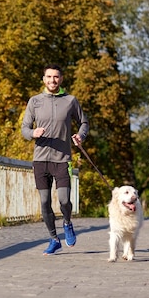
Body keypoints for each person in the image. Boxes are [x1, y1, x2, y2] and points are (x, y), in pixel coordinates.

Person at [21, 64, 89, 255]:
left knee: (64, 200)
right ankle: (53, 239)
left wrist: (80, 136)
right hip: (40, 160)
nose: (52, 80)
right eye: (49, 77)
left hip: (62, 159)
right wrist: (32, 132)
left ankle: (67, 223)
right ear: (44, 79)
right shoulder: (34, 101)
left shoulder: (70, 101)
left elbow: (84, 122)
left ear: (61, 79)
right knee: (44, 202)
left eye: (56, 77)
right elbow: (24, 128)